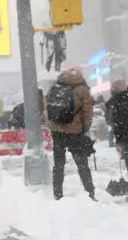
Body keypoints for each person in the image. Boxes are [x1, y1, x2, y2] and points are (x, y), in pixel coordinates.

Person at [44, 68, 95, 201]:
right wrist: (84, 129)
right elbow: (87, 113)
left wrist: (54, 125)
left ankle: (58, 194)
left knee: (58, 164)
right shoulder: (82, 90)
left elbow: (48, 109)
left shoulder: (55, 87)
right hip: (75, 132)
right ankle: (90, 193)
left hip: (57, 132)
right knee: (82, 164)